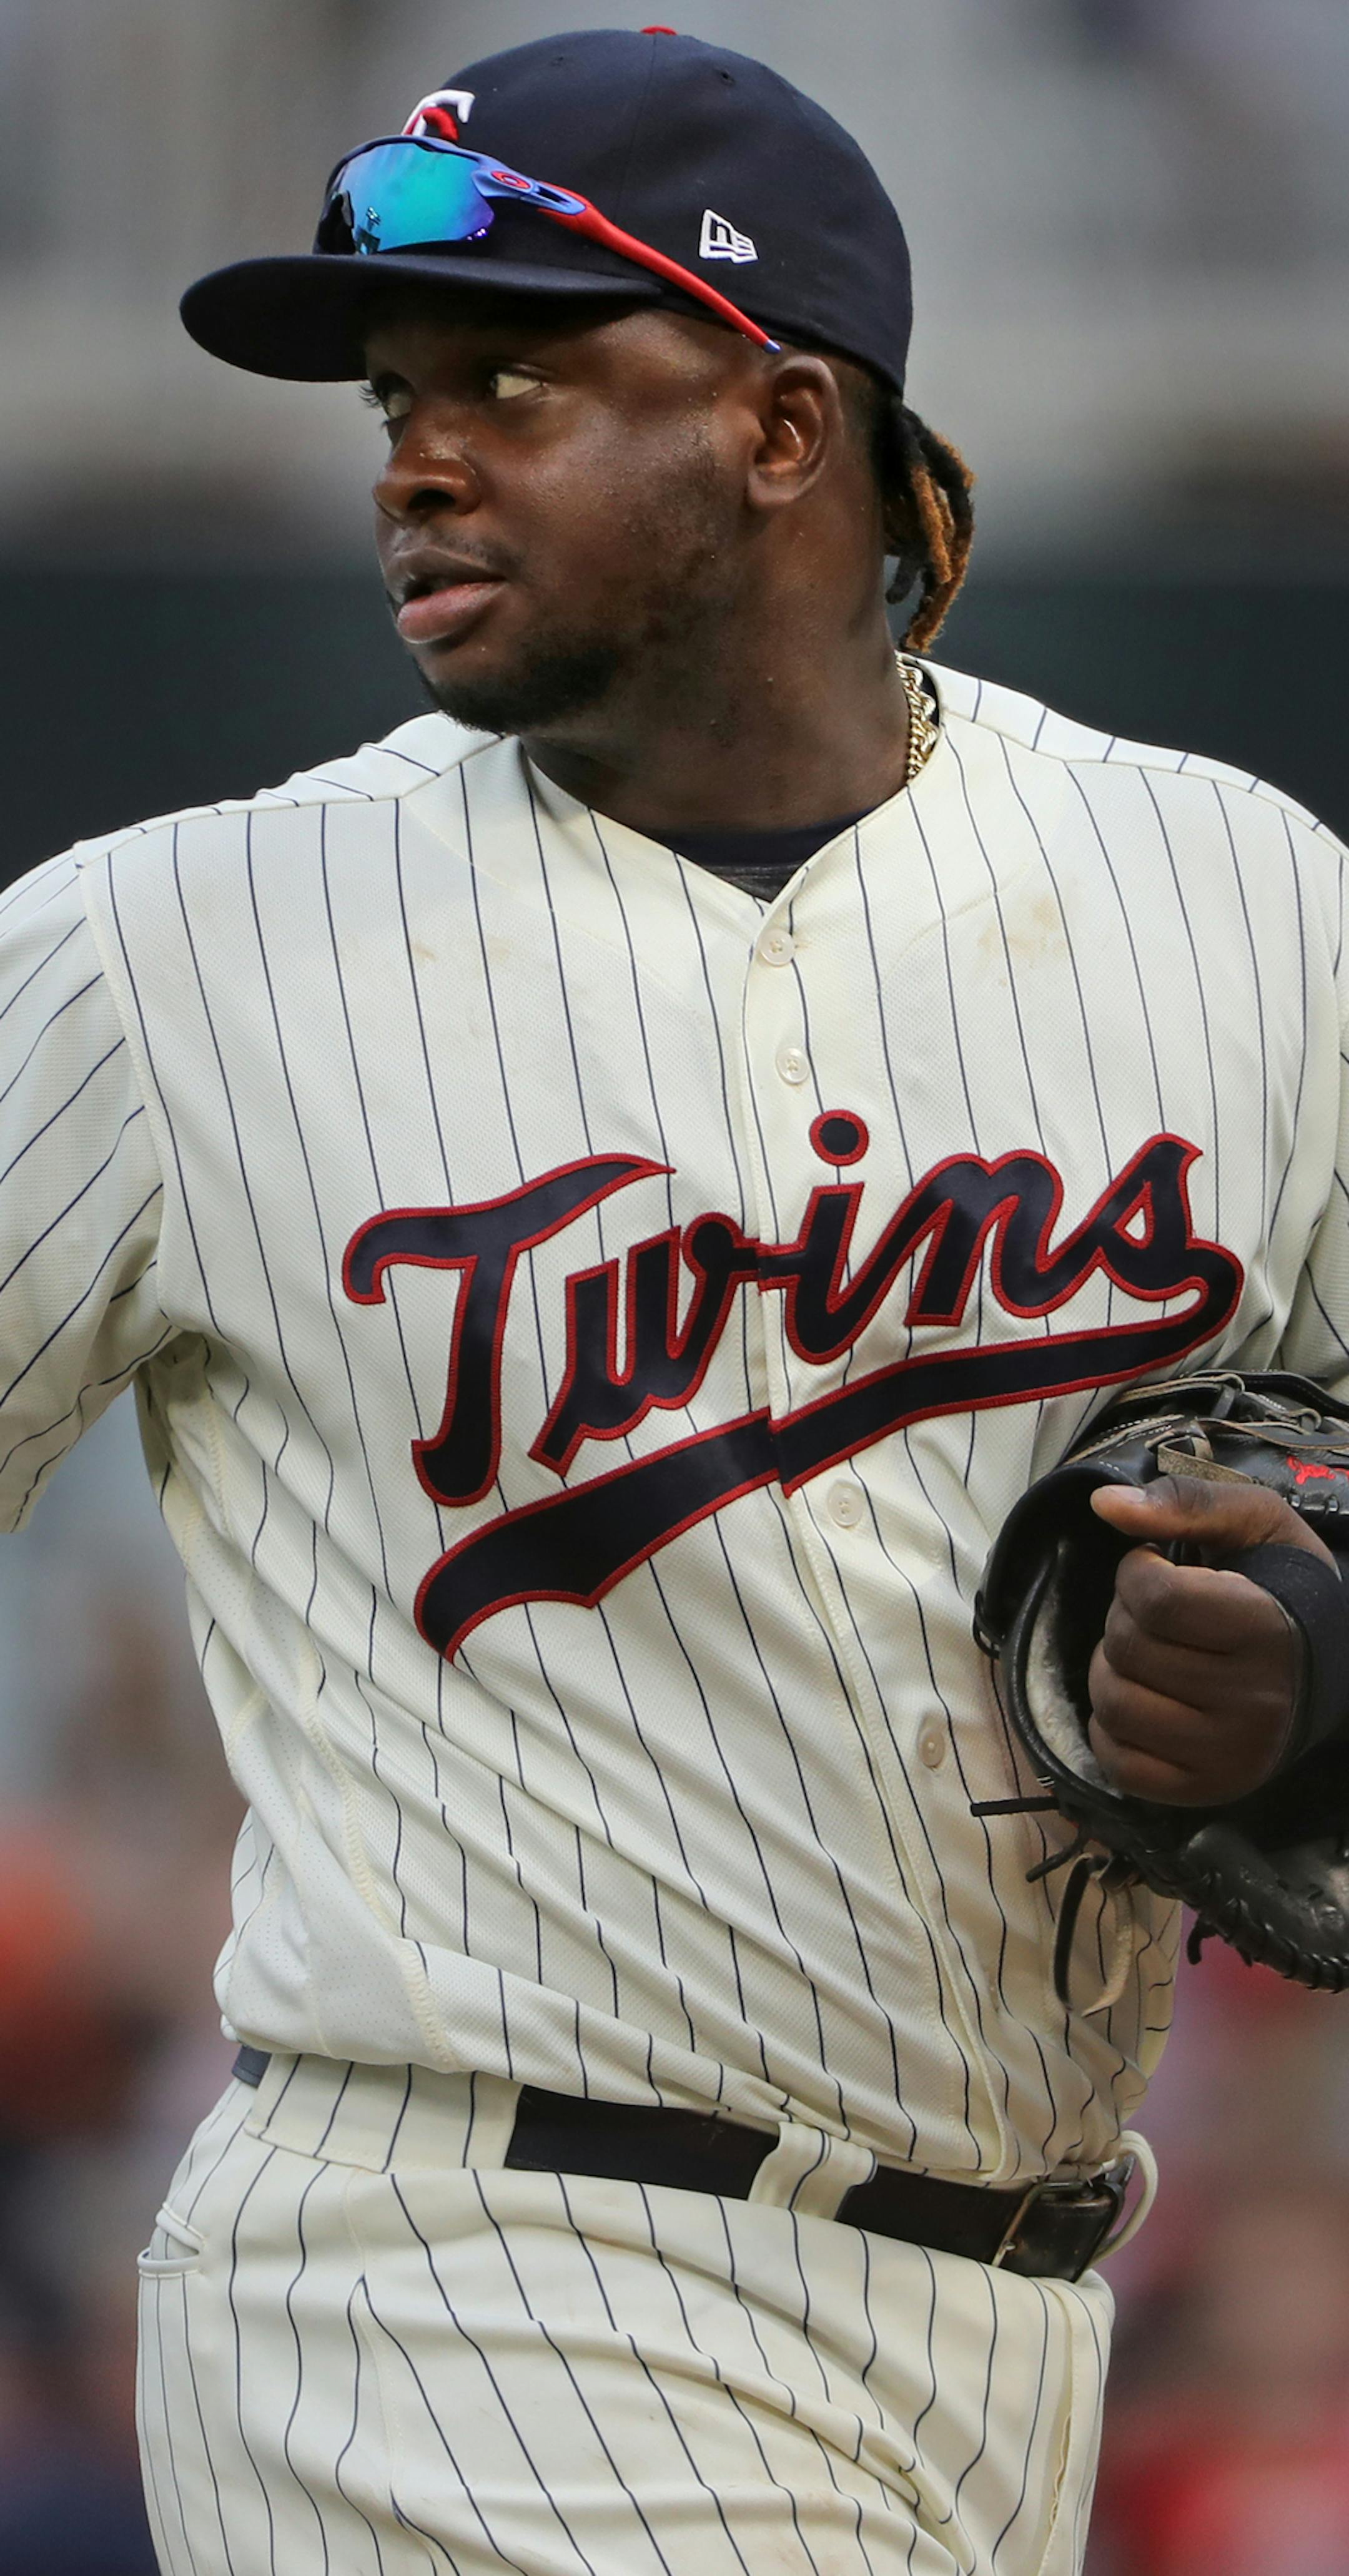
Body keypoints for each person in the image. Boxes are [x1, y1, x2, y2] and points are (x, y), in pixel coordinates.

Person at [4, 25, 1345, 2575]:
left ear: (779, 423)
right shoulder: (161, 956)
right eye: (397, 395)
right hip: (456, 2291)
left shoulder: (1244, 901)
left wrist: (1316, 1652)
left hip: (1023, 2317)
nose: (416, 451)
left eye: (516, 375)